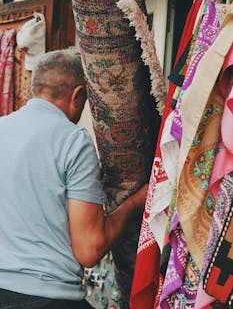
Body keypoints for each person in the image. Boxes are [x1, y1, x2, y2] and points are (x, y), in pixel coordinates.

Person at [0, 50, 148, 309]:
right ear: (78, 95)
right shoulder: (72, 140)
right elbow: (89, 249)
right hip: (46, 297)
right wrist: (136, 202)